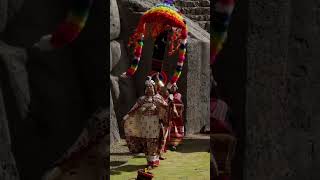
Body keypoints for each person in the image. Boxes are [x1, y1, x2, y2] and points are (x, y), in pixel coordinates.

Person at [123, 77, 168, 169]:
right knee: (146, 142)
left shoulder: (158, 98)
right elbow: (134, 109)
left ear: (154, 88)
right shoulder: (141, 99)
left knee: (153, 141)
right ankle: (149, 161)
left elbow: (165, 108)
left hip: (154, 123)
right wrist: (126, 117)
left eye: (151, 87)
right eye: (147, 87)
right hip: (144, 124)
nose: (149, 89)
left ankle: (153, 162)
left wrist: (160, 108)